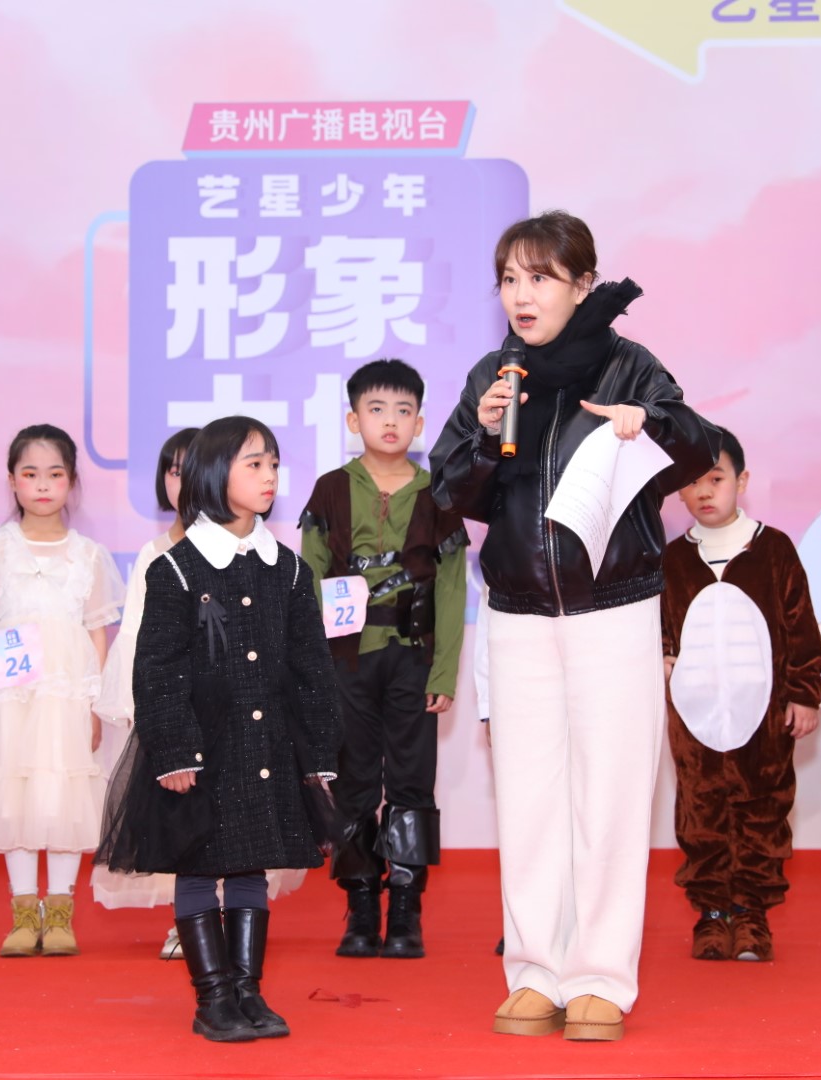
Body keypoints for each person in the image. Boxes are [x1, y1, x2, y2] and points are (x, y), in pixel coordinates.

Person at [431, 210, 714, 1040]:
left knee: (612, 796)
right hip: (518, 612)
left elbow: (699, 449)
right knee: (528, 800)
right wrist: (485, 436)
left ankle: (600, 978)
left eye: (540, 278)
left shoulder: (630, 365)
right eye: (508, 280)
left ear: (584, 284)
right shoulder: (493, 375)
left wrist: (648, 425)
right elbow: (449, 495)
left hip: (613, 608)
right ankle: (535, 971)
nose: (521, 296)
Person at [98, 416, 341, 1042]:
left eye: (274, 464)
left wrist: (318, 753)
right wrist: (174, 749)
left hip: (268, 745)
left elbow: (312, 668)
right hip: (203, 751)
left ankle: (247, 991)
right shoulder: (175, 569)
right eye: (254, 464)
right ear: (212, 473)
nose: (270, 475)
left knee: (252, 863)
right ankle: (212, 998)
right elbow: (156, 670)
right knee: (200, 863)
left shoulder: (289, 570)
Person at [300, 358, 467, 960]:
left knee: (412, 781)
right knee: (352, 782)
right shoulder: (330, 490)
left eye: (403, 411)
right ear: (354, 420)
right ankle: (362, 906)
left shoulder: (438, 492)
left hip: (414, 658)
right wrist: (312, 668)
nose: (390, 421)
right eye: (376, 409)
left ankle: (406, 909)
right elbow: (309, 580)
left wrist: (444, 671)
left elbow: (452, 587)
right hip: (346, 661)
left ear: (419, 424)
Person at [661, 427, 821, 962]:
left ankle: (751, 913)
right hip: (694, 713)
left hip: (765, 712)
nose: (705, 491)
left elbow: (801, 626)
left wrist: (803, 693)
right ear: (678, 491)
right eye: (692, 482)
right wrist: (663, 656)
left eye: (716, 479)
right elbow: (659, 627)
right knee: (701, 808)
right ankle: (712, 912)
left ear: (741, 481)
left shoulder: (772, 548)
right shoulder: (671, 559)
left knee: (762, 807)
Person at [0, 425, 123, 957]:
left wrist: (97, 702)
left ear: (72, 482)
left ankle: (61, 915)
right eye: (30, 474)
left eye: (55, 474)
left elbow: (97, 633)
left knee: (64, 798)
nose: (43, 485)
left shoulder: (88, 555)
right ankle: (23, 915)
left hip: (69, 698)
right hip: (14, 697)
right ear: (12, 481)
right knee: (16, 798)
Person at [92, 427, 197, 958]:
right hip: (173, 710)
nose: (184, 482)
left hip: (228, 708)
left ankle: (229, 915)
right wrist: (140, 707)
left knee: (230, 817)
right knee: (179, 819)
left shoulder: (247, 549)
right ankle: (190, 921)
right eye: (174, 471)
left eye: (194, 469)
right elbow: (135, 635)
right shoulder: (154, 554)